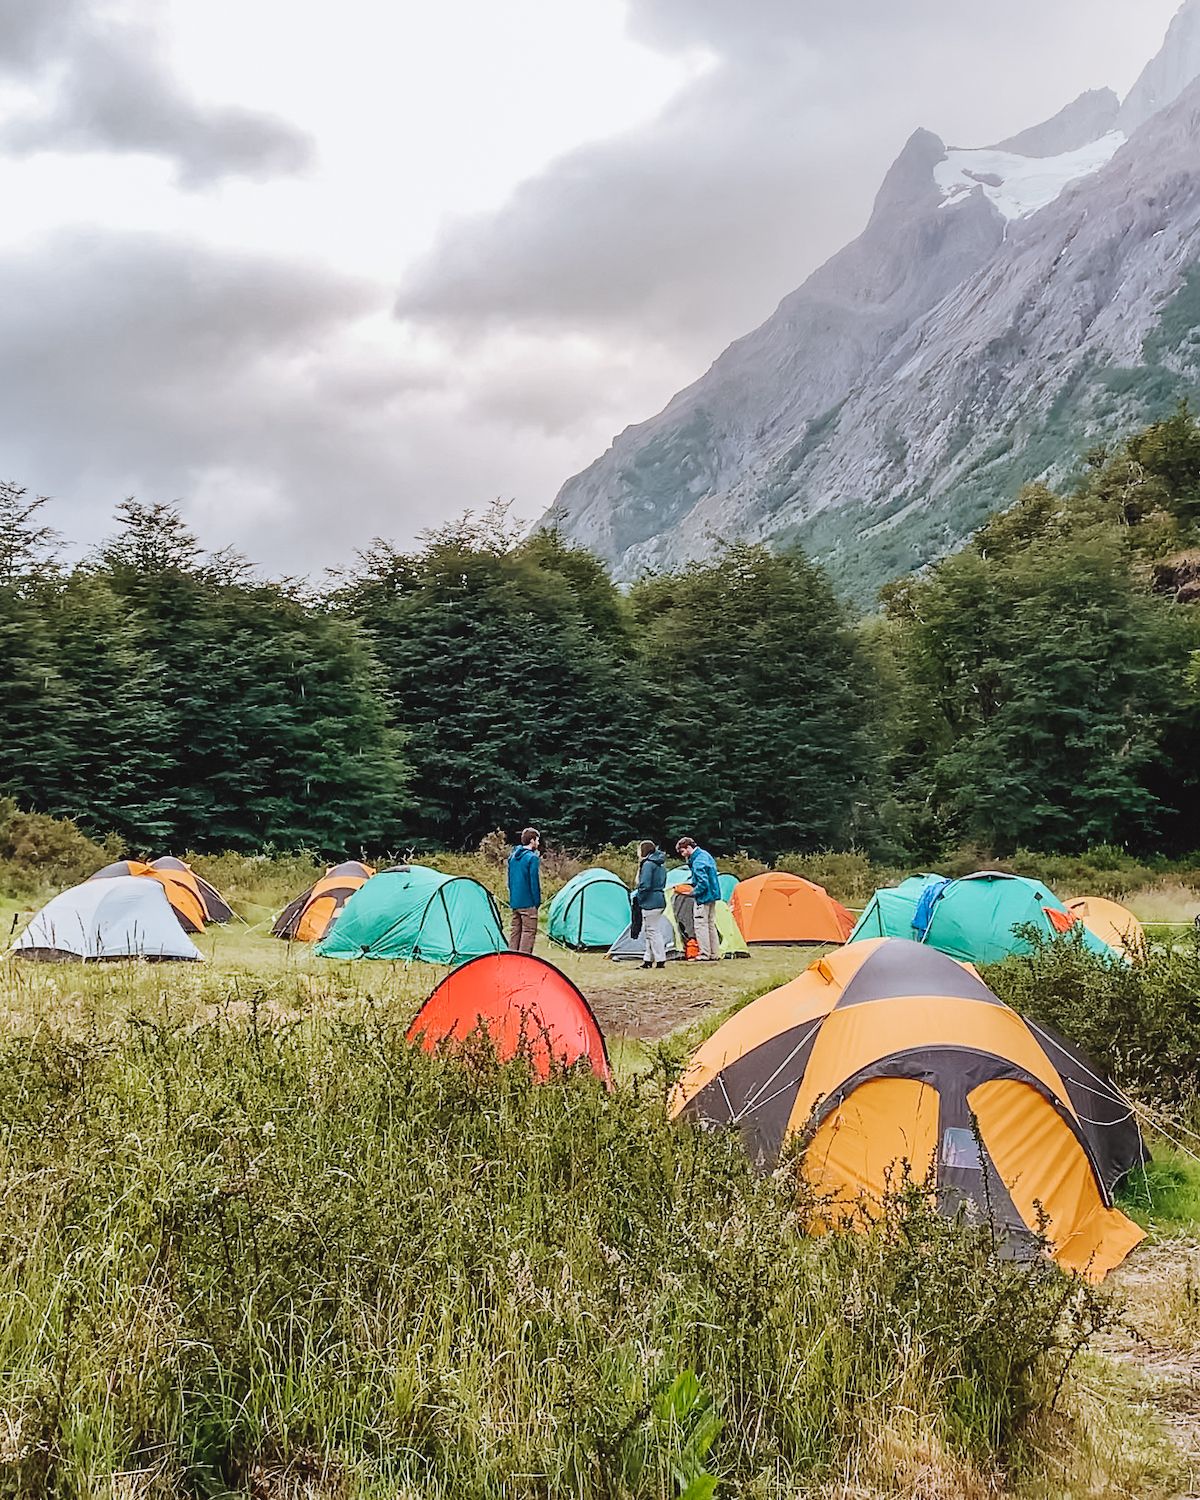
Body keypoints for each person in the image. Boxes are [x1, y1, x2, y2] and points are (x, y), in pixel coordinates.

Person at [676, 837, 720, 961]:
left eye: (682, 851)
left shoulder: (698, 861)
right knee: (711, 924)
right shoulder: (706, 855)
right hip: (713, 894)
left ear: (689, 847)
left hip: (703, 896)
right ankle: (714, 953)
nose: (682, 855)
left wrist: (693, 892)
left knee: (701, 924)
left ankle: (704, 953)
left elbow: (703, 881)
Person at [507, 827, 542, 954]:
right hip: (528, 902)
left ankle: (511, 958)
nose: (538, 843)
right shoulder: (532, 858)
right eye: (537, 840)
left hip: (515, 901)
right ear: (532, 840)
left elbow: (509, 880)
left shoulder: (512, 857)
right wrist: (536, 902)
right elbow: (534, 882)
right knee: (528, 932)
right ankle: (524, 960)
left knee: (515, 932)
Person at [634, 840, 668, 969]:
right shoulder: (660, 865)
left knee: (652, 931)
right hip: (659, 898)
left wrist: (639, 897)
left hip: (650, 901)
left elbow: (645, 884)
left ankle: (660, 959)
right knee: (650, 930)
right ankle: (648, 959)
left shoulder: (648, 864)